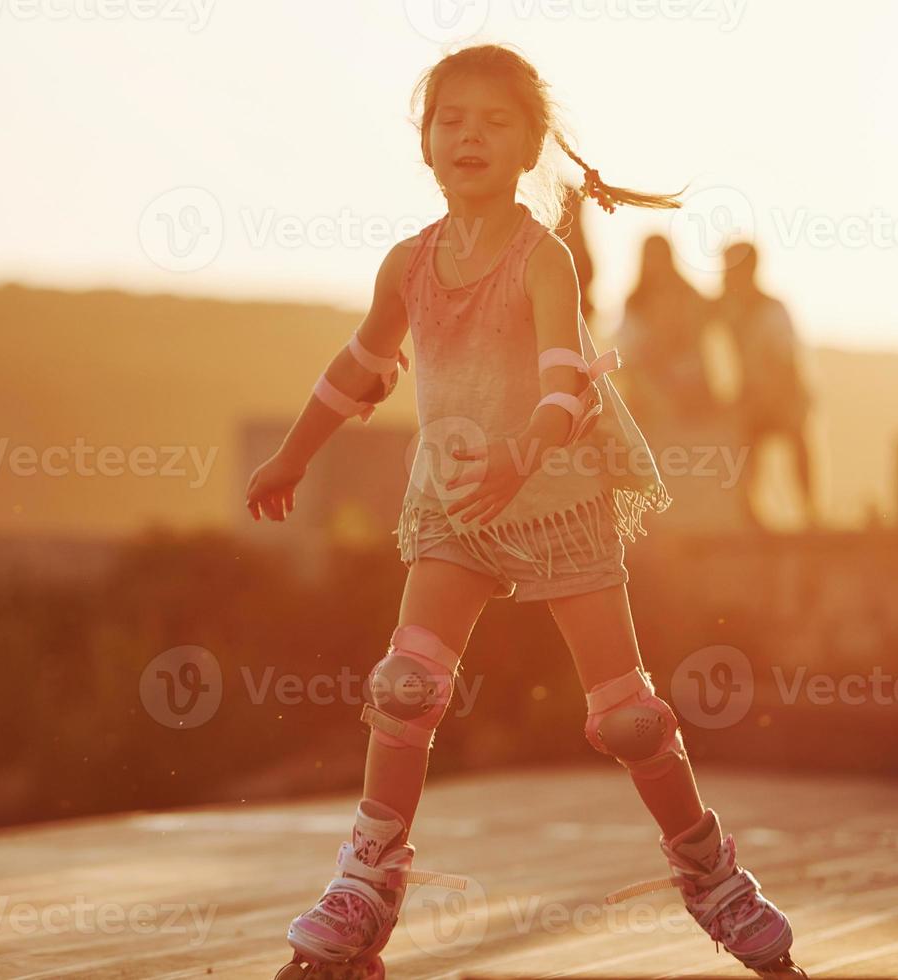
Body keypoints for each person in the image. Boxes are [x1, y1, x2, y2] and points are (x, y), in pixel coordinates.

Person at [245, 43, 806, 979]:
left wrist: (519, 460)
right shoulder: (407, 264)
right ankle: (367, 879)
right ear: (424, 144)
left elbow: (566, 390)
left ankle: (712, 874)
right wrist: (292, 456)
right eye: (451, 120)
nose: (470, 135)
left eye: (495, 122)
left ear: (530, 146)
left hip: (555, 498)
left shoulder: (544, 258)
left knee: (627, 715)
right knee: (406, 684)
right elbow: (359, 370)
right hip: (456, 500)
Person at [716, 242, 818, 530]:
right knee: (742, 438)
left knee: (796, 434)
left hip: (781, 396)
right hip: (750, 399)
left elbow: (786, 364)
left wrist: (774, 398)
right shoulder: (727, 309)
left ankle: (808, 509)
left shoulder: (770, 310)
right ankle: (746, 511)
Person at [612, 235, 719, 428]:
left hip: (686, 384)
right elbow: (628, 349)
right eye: (651, 256)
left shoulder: (689, 296)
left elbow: (703, 339)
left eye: (660, 256)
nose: (656, 263)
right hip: (648, 385)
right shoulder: (635, 301)